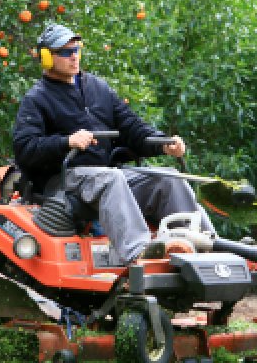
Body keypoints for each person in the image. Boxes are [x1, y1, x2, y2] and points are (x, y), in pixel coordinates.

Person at [12, 23, 216, 265]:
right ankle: (140, 253)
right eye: (66, 52)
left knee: (168, 178)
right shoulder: (37, 99)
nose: (74, 56)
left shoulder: (98, 88)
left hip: (105, 178)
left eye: (76, 49)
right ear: (46, 58)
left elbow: (132, 127)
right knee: (112, 178)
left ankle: (206, 246)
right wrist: (67, 142)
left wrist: (163, 144)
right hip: (65, 181)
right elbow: (25, 148)